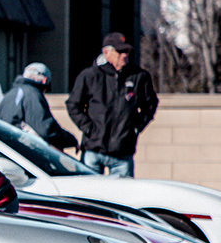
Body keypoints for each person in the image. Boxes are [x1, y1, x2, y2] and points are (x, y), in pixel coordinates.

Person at [66, 32, 158, 177]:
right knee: (89, 196)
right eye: (120, 51)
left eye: (126, 51)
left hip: (122, 152)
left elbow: (150, 104)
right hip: (93, 150)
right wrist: (88, 127)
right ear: (106, 52)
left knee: (121, 196)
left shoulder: (139, 76)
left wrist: (134, 128)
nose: (124, 55)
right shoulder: (90, 75)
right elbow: (73, 104)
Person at [0, 62, 77, 152]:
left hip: (9, 148)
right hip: (26, 151)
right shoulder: (32, 94)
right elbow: (45, 128)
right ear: (44, 80)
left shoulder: (10, 94)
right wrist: (70, 140)